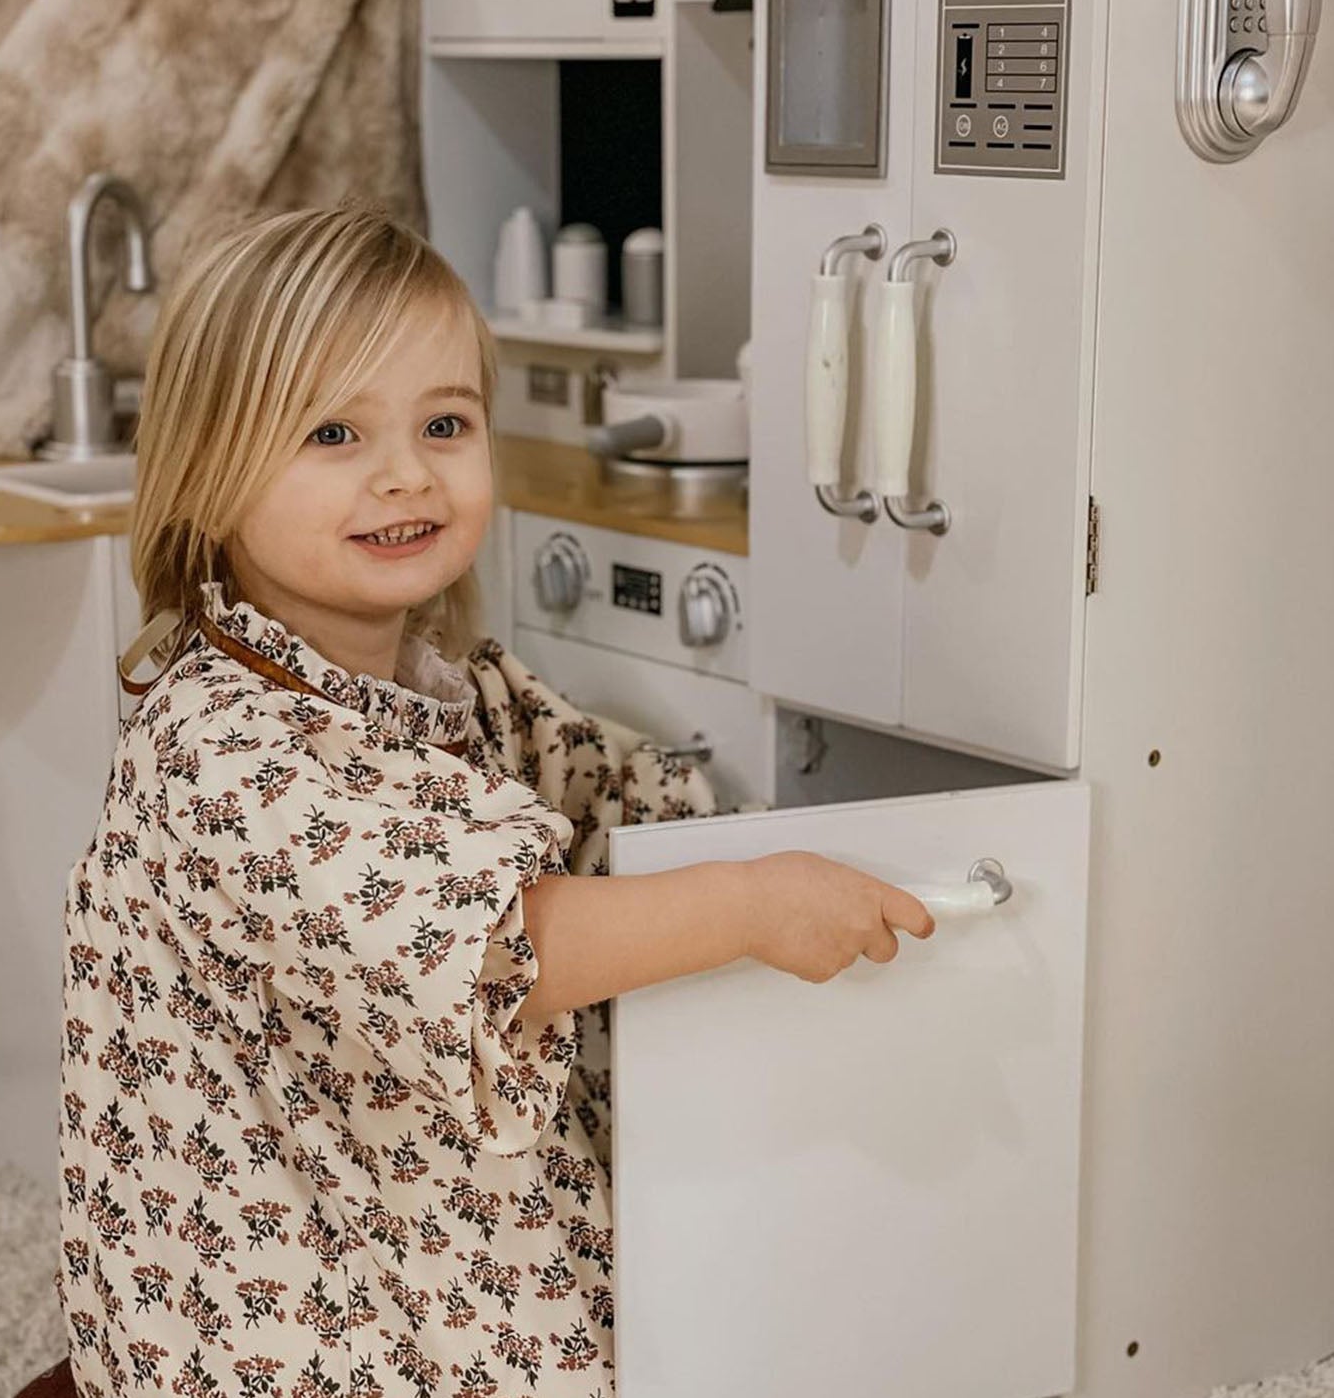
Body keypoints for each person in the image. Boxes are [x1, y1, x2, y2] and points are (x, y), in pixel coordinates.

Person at [53, 201, 935, 1398]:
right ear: (209, 479)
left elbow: (603, 786)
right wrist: (749, 902)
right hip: (294, 1316)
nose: (405, 473)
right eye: (332, 433)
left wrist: (825, 828)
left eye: (445, 423)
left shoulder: (433, 686)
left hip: (400, 1224)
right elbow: (498, 949)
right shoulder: (224, 753)